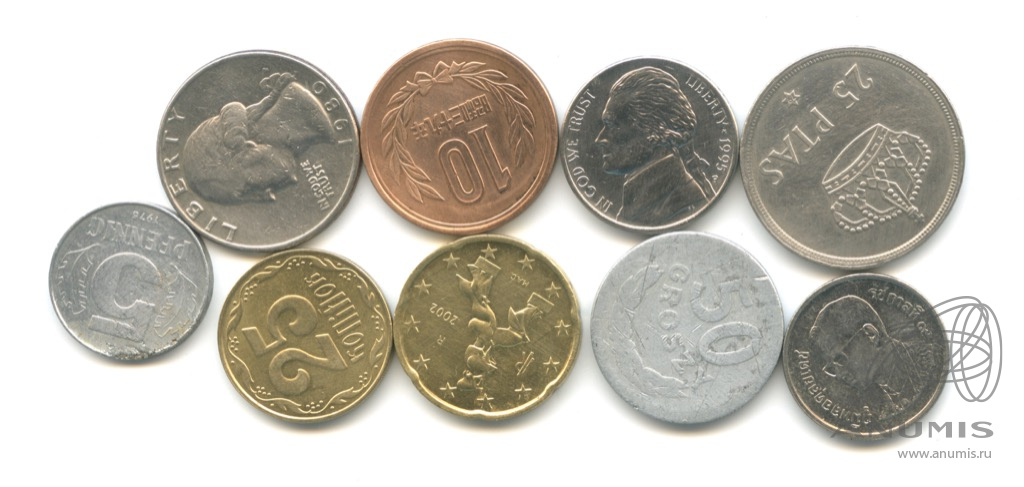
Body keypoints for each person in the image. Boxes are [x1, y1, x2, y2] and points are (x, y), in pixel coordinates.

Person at [181, 72, 331, 204]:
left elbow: (236, 111)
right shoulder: (237, 142)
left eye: (250, 185)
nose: (268, 190)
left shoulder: (235, 132)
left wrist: (273, 95)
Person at [595, 67, 714, 223]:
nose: (599, 139)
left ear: (654, 130)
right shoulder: (645, 202)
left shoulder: (681, 205)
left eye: (612, 125)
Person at [810, 296, 923, 418]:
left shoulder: (927, 363)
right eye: (831, 369)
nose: (839, 374)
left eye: (840, 359)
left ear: (870, 334)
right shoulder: (876, 398)